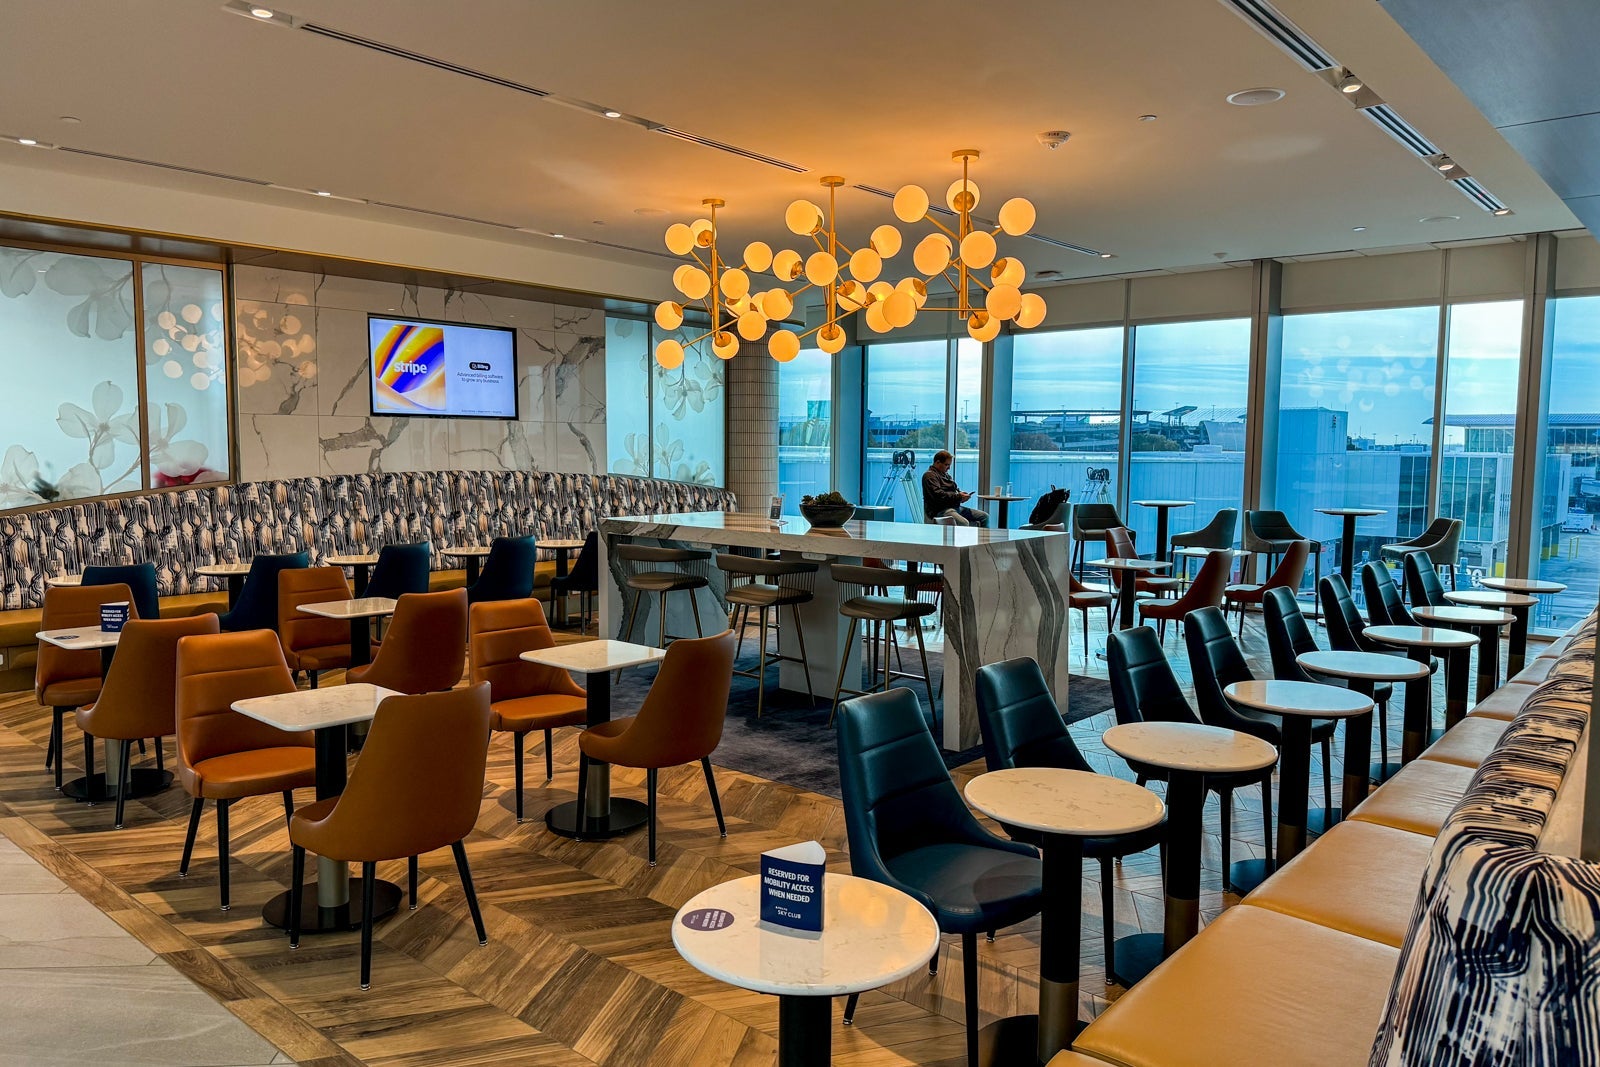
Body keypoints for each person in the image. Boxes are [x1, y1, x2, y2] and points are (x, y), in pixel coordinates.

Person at [921, 450, 988, 526]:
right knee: (963, 523)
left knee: (984, 517)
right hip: (940, 510)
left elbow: (953, 491)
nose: (949, 468)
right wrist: (959, 496)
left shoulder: (946, 475)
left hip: (954, 507)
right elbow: (938, 495)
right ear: (938, 462)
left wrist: (961, 495)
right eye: (946, 465)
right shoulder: (930, 476)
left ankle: (981, 534)